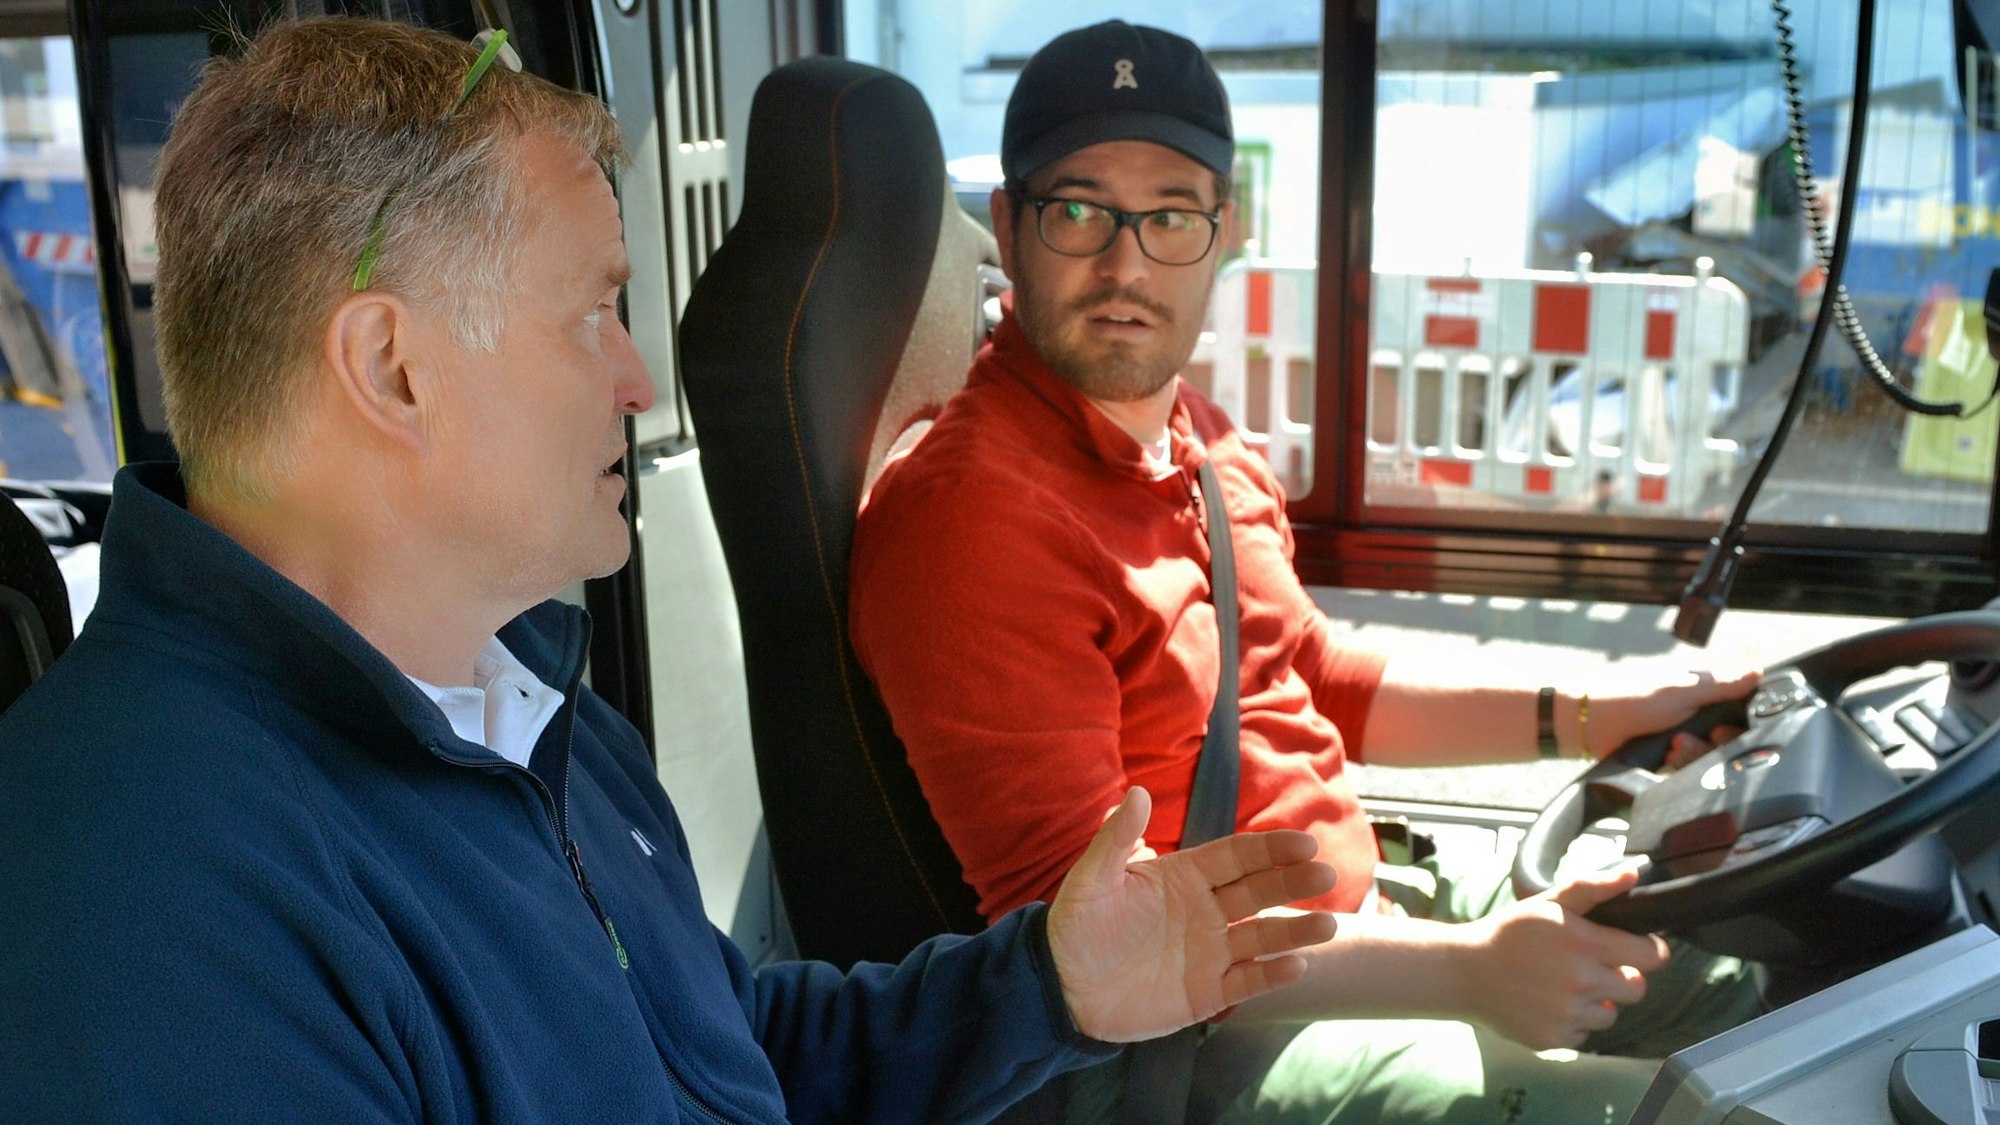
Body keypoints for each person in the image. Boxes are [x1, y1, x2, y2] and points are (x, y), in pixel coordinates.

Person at [0, 18, 1347, 1122]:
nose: (638, 379)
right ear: (392, 367)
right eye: (593, 311)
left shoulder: (527, 693)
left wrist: (1047, 987)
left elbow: (723, 1051)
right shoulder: (140, 901)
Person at [849, 19, 1766, 1124]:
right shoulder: (974, 521)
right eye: (1078, 209)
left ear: (1225, 233)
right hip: (1180, 1033)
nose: (1125, 262)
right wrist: (1471, 968)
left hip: (1351, 907)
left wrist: (1592, 715)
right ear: (1008, 226)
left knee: (1739, 967)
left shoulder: (1197, 440)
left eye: (1171, 215)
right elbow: (1100, 951)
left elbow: (1313, 678)